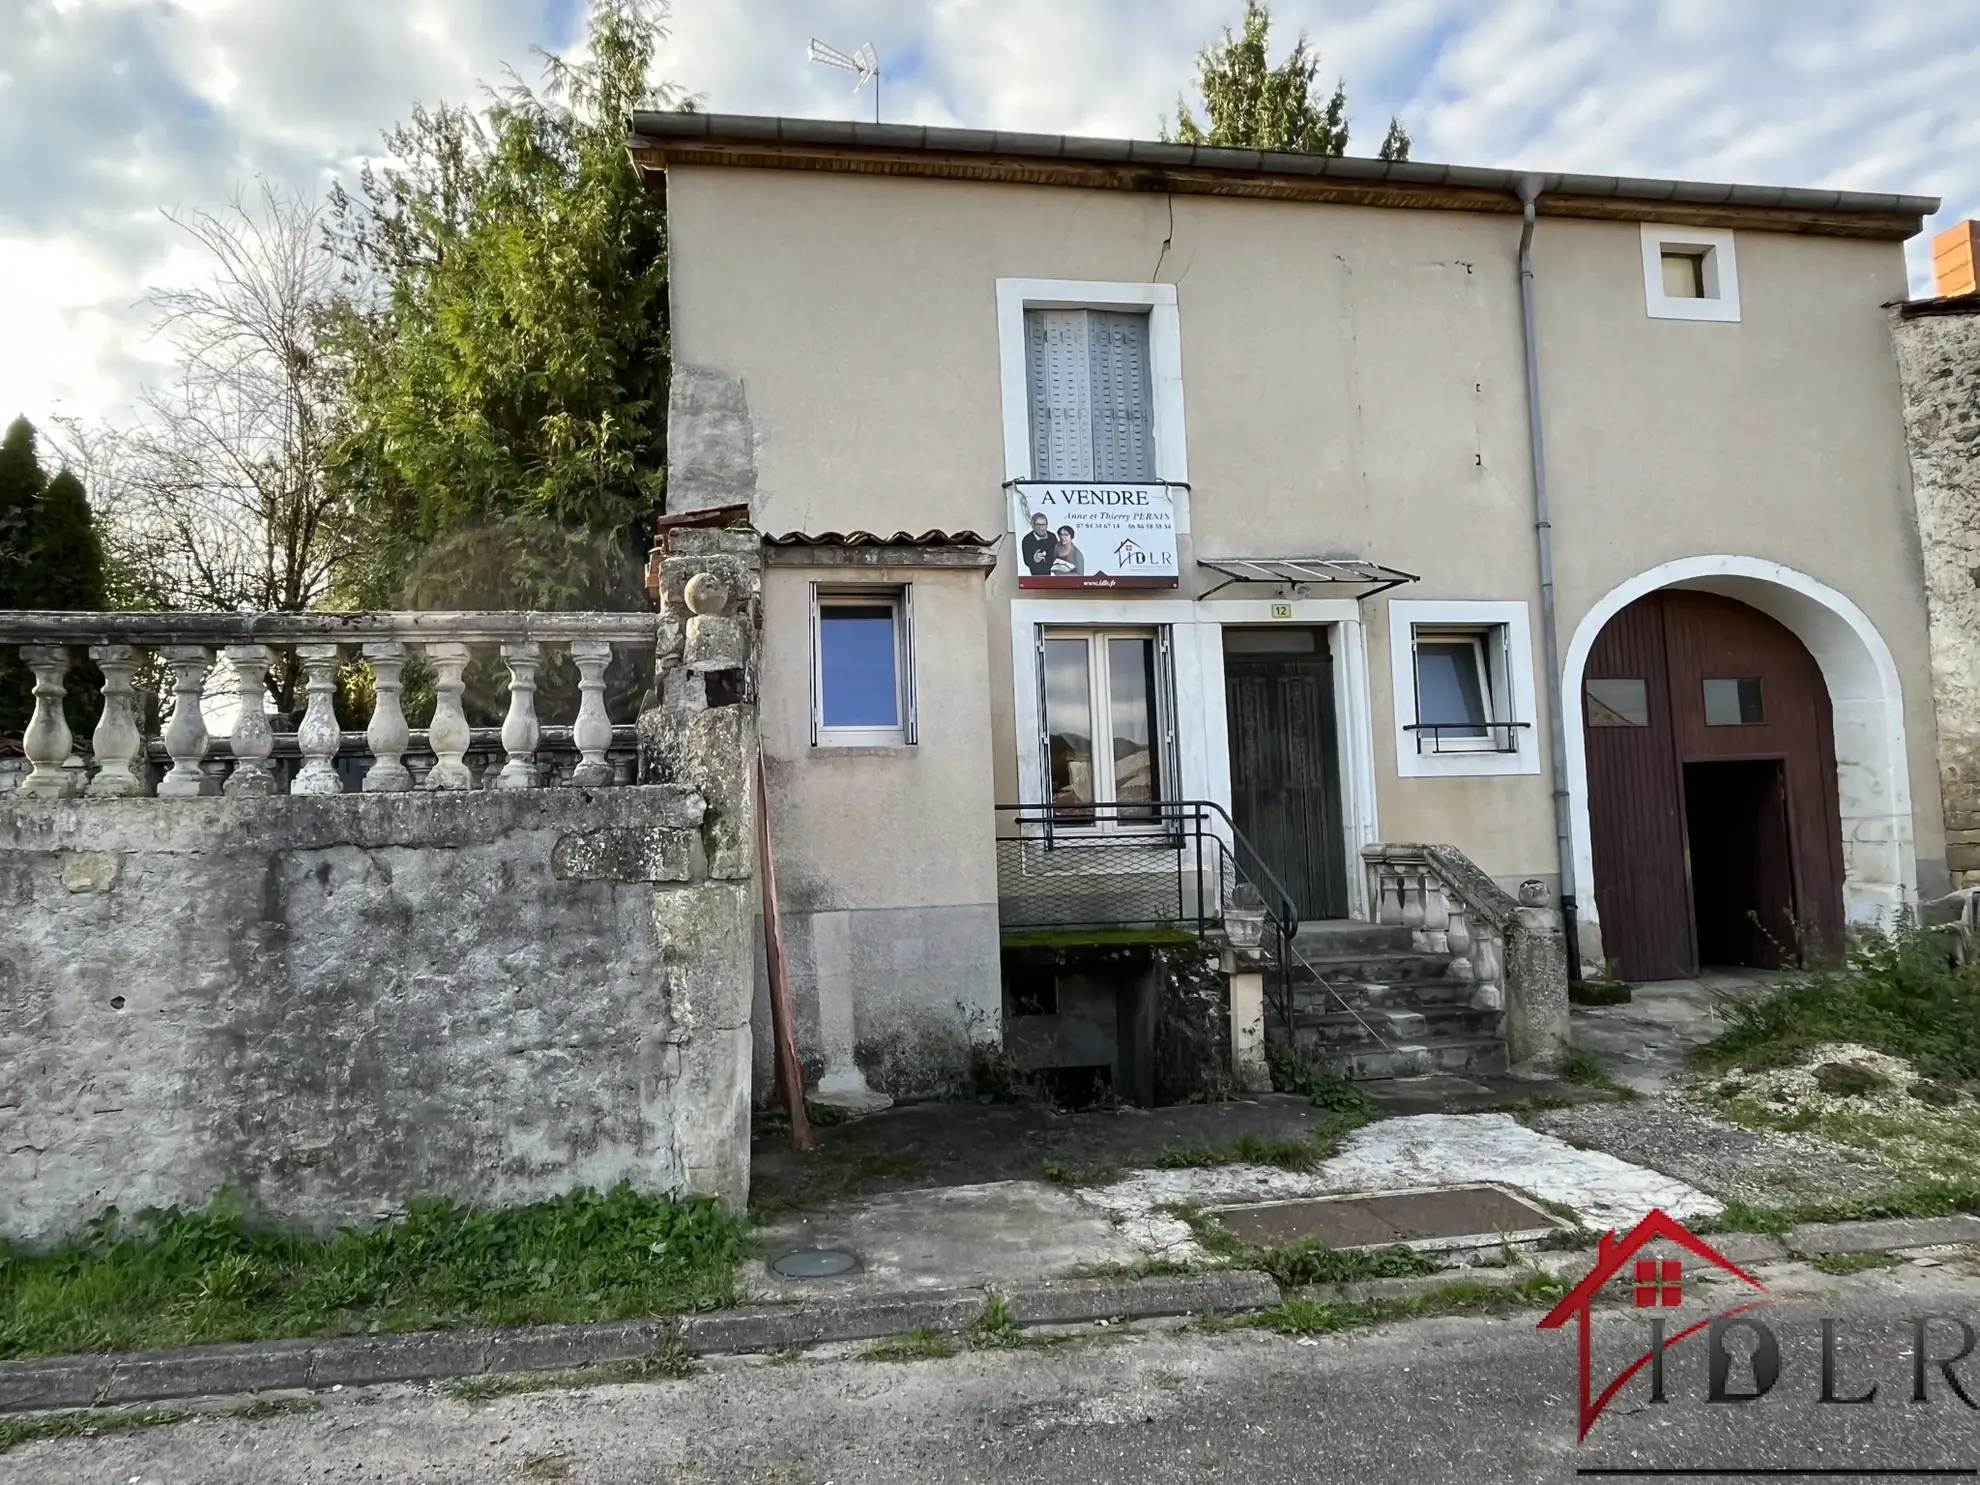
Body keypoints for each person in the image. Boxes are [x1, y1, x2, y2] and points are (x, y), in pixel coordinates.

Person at [1021, 512, 1059, 577]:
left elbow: (1057, 553)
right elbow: (1027, 560)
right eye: (1038, 525)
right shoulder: (1027, 540)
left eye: (1043, 525)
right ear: (1033, 525)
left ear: (1047, 525)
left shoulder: (1052, 536)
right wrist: (1034, 559)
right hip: (1036, 576)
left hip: (1053, 575)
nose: (1041, 528)